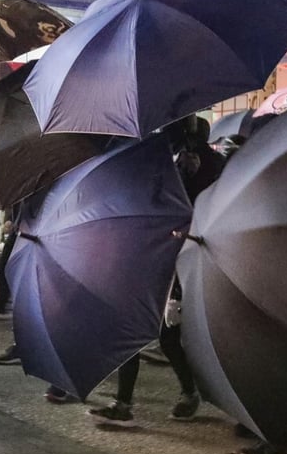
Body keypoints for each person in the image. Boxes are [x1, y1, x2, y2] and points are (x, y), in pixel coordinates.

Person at [88, 116, 224, 426]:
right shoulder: (162, 162)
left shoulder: (208, 165)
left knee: (166, 336)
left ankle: (186, 392)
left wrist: (191, 173)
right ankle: (125, 402)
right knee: (136, 328)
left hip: (181, 258)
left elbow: (196, 211)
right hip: (151, 253)